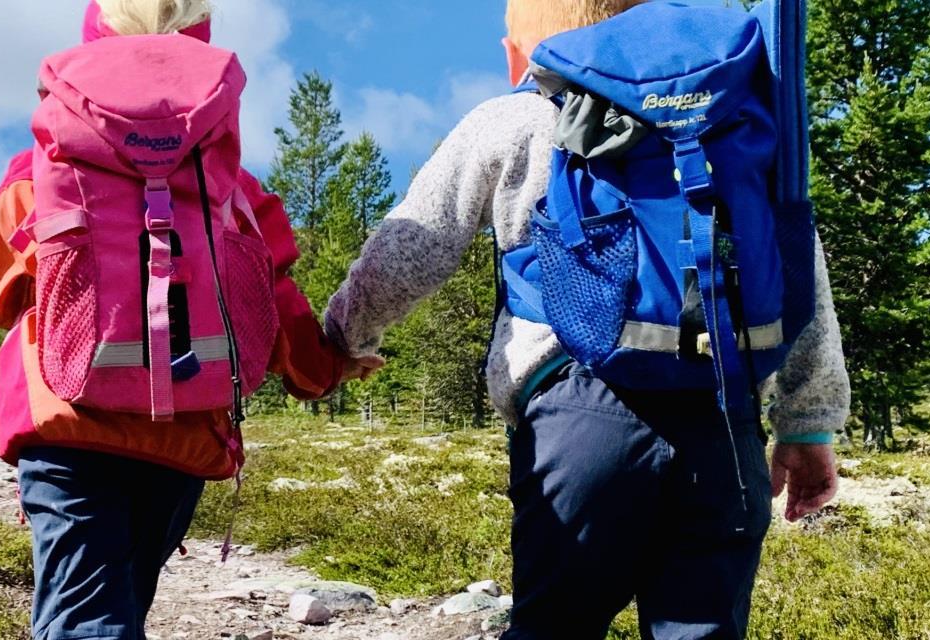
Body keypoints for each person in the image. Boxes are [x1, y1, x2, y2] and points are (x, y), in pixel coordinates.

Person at [324, 0, 849, 638]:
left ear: (530, 44)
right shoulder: (733, 123)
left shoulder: (517, 116)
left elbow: (411, 248)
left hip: (576, 417)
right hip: (721, 418)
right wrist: (808, 426)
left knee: (554, 626)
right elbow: (799, 268)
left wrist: (344, 336)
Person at [0, 2, 347, 638]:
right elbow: (282, 314)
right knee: (122, 600)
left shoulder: (42, 172)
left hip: (66, 422)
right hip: (185, 432)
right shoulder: (234, 191)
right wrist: (325, 370)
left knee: (86, 614)